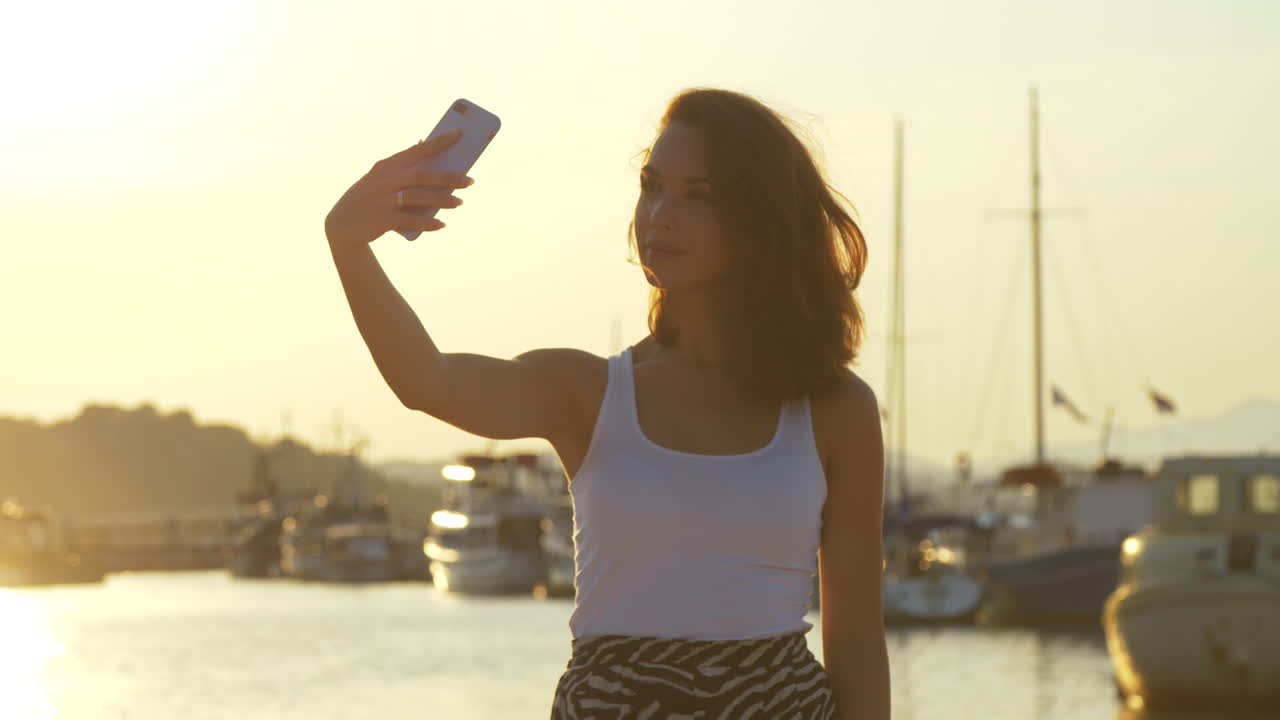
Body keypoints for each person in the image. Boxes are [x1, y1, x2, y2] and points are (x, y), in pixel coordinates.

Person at [324, 87, 890, 720]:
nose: (662, 214)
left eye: (698, 195)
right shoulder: (586, 392)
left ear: (761, 221)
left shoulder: (837, 410)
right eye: (652, 186)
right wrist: (349, 245)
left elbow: (859, 641)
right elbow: (425, 380)